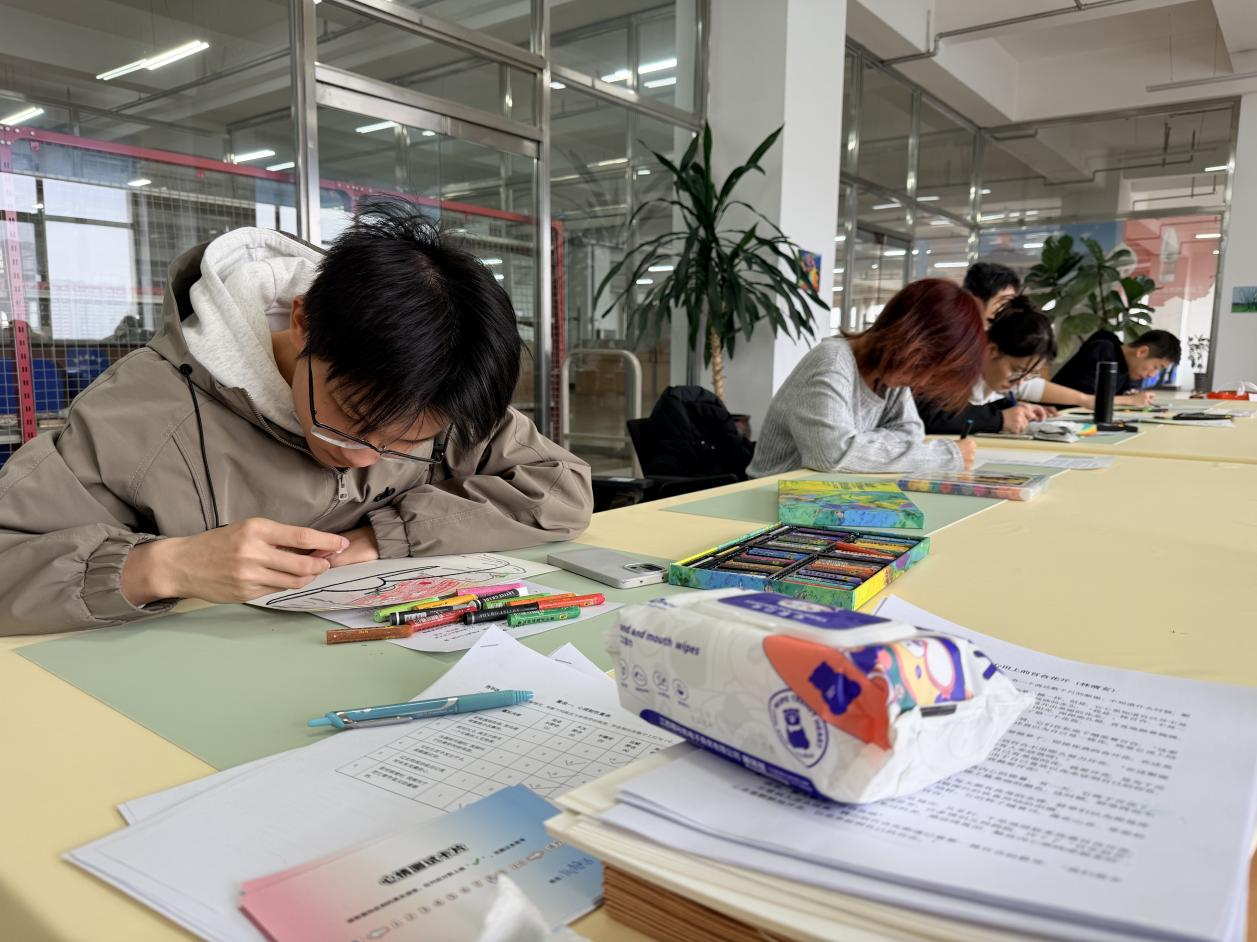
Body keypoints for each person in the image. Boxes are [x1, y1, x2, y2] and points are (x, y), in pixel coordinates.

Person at [0, 199, 593, 636]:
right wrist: (163, 567)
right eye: (350, 417)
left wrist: (383, 538)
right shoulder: (142, 413)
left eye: (404, 444)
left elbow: (560, 488)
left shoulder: (431, 389)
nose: (361, 457)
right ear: (303, 322)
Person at [747, 279, 985, 478]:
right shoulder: (832, 361)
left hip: (825, 493)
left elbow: (912, 434)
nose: (921, 383)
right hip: (769, 495)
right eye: (921, 366)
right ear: (904, 336)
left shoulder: (889, 377)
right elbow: (832, 455)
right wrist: (946, 456)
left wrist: (858, 445)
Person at [915, 295, 1056, 436]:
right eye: (1017, 371)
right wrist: (1000, 419)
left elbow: (978, 406)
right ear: (992, 350)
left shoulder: (984, 378)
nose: (1020, 383)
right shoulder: (954, 361)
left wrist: (1015, 409)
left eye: (1029, 375)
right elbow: (931, 415)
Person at [1051, 328, 1180, 406]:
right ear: (1142, 352)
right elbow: (1085, 399)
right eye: (1156, 367)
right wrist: (1129, 400)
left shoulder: (1129, 370)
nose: (1152, 374)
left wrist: (1134, 397)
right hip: (1052, 416)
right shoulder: (1103, 350)